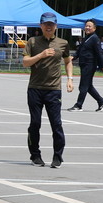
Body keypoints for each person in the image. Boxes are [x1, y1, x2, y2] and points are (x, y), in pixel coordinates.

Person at [23, 12, 73, 168]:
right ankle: (35, 156)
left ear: (56, 26)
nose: (49, 26)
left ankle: (57, 157)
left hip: (54, 90)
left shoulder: (63, 43)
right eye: (46, 24)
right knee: (35, 123)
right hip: (35, 89)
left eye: (52, 24)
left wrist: (70, 79)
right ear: (41, 26)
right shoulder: (32, 41)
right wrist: (41, 55)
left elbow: (68, 62)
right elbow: (25, 62)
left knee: (56, 124)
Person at [67, 19, 103, 112]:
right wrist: (73, 57)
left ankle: (78, 105)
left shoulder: (95, 38)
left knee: (83, 86)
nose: (87, 28)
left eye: (89, 26)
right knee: (88, 86)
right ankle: (102, 102)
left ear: (94, 28)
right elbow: (80, 50)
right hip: (84, 64)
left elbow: (99, 53)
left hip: (90, 65)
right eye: (86, 26)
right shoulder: (87, 37)